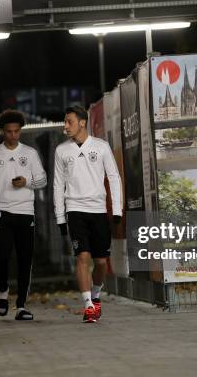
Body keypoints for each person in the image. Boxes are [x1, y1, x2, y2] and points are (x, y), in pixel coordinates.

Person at [53, 106, 122, 323]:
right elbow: (57, 185)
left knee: (101, 262)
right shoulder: (61, 151)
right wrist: (60, 217)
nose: (65, 126)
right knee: (82, 257)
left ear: (82, 122)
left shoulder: (101, 147)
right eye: (64, 122)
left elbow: (114, 178)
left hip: (98, 211)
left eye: (69, 122)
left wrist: (117, 210)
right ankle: (88, 306)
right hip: (75, 211)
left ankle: (96, 295)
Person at [0, 110, 47, 320]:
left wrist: (27, 182)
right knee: (2, 257)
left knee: (25, 259)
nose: (13, 135)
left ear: (20, 131)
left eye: (16, 131)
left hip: (25, 212)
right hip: (2, 213)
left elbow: (42, 180)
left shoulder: (30, 154)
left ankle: (22, 305)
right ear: (2, 132)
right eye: (9, 132)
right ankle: (3, 290)